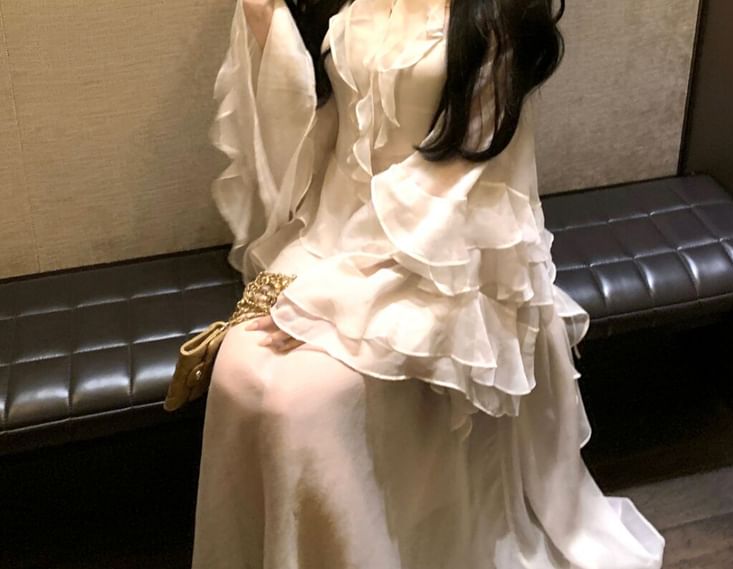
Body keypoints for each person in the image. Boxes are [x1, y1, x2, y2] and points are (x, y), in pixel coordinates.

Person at [192, 1, 666, 567]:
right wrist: (266, 26)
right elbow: (319, 129)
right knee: (237, 371)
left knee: (296, 400)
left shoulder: (496, 16)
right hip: (328, 235)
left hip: (450, 258)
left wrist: (339, 294)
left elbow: (470, 185)